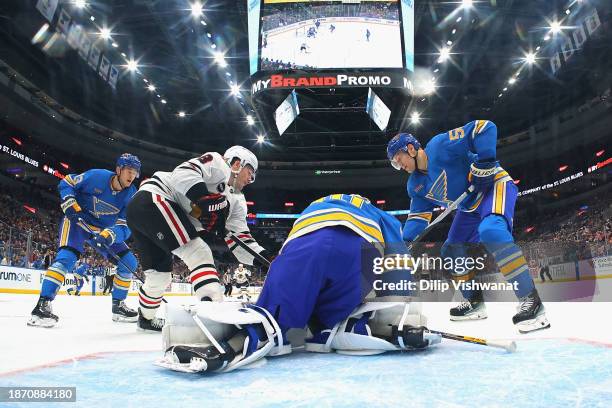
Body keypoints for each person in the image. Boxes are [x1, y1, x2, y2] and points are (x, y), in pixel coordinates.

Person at [156, 194, 440, 373]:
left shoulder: (313, 209)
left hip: (304, 246)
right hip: (356, 254)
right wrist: (402, 300)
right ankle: (334, 327)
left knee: (272, 318)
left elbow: (293, 257)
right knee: (344, 306)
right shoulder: (379, 214)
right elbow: (397, 262)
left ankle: (239, 341)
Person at [387, 121, 550, 333]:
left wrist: (486, 162)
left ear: (410, 148)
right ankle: (474, 302)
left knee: (491, 230)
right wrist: (406, 242)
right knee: (451, 250)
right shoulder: (415, 185)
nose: (400, 166)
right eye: (396, 164)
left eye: (399, 160)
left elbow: (484, 127)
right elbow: (418, 217)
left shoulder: (439, 146)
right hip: (469, 206)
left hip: (494, 186)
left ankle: (532, 301)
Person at [127, 146, 270, 332]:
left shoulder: (236, 201)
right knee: (199, 252)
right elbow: (182, 173)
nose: (249, 181)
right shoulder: (218, 163)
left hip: (143, 212)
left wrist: (267, 258)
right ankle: (213, 317)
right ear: (237, 164)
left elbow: (240, 241)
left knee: (159, 277)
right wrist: (202, 198)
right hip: (155, 198)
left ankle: (146, 319)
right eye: (249, 173)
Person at [28, 154, 141, 328]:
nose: (132, 176)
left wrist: (111, 234)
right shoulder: (97, 176)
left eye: (135, 173)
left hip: (103, 230)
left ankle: (118, 307)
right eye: (129, 171)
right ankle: (42, 306)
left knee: (129, 262)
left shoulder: (131, 194)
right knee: (67, 258)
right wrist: (69, 200)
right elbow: (68, 181)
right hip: (77, 222)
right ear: (118, 169)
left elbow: (125, 225)